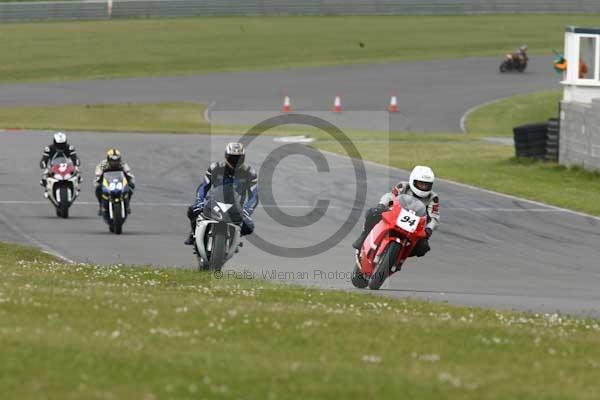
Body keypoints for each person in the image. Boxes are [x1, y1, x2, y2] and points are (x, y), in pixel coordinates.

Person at [352, 165, 440, 257]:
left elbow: (434, 217)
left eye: (426, 185)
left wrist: (429, 229)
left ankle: (400, 256)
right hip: (395, 214)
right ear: (413, 180)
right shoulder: (403, 186)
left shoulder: (433, 198)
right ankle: (364, 237)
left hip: (415, 225)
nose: (423, 186)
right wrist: (382, 205)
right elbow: (390, 196)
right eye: (421, 183)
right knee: (373, 213)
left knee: (423, 247)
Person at [185, 142, 258, 245]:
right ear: (226, 156)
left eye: (238, 158)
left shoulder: (250, 173)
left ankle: (235, 238)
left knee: (249, 227)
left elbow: (254, 196)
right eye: (232, 158)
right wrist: (199, 201)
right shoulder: (215, 168)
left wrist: (247, 210)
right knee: (193, 210)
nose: (235, 161)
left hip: (236, 208)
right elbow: (203, 187)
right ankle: (193, 234)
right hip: (214, 203)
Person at [94, 148, 135, 215]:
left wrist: (130, 181)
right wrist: (99, 179)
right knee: (98, 187)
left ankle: (127, 204)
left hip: (119, 180)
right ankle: (101, 205)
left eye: (116, 160)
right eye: (112, 161)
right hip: (107, 180)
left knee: (131, 186)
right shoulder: (103, 165)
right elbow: (98, 174)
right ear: (108, 159)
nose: (115, 163)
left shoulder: (123, 164)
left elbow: (128, 174)